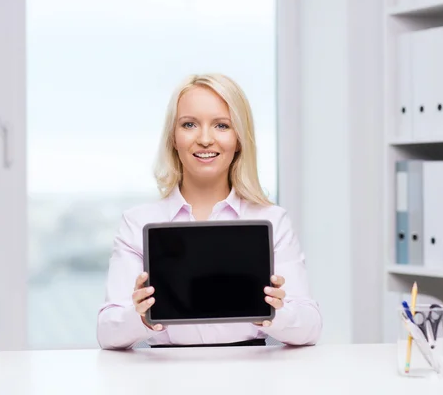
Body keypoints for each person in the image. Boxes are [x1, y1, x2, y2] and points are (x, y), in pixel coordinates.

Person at [96, 73, 322, 349]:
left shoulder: (272, 220)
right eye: (189, 124)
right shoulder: (137, 223)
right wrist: (140, 317)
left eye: (222, 125)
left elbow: (310, 328)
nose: (205, 139)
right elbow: (107, 334)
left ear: (239, 138)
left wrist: (275, 311)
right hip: (164, 378)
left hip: (252, 376)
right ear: (173, 138)